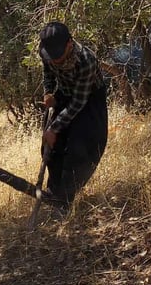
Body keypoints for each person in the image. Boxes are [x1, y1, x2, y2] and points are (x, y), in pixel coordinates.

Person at [38, 21, 108, 212]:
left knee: (80, 150)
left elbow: (78, 102)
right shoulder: (46, 51)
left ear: (69, 43)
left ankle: (65, 200)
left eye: (58, 57)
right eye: (51, 57)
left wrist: (54, 128)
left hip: (88, 100)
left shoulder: (86, 61)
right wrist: (48, 92)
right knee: (51, 148)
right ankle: (54, 192)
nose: (55, 61)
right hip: (64, 94)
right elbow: (48, 72)